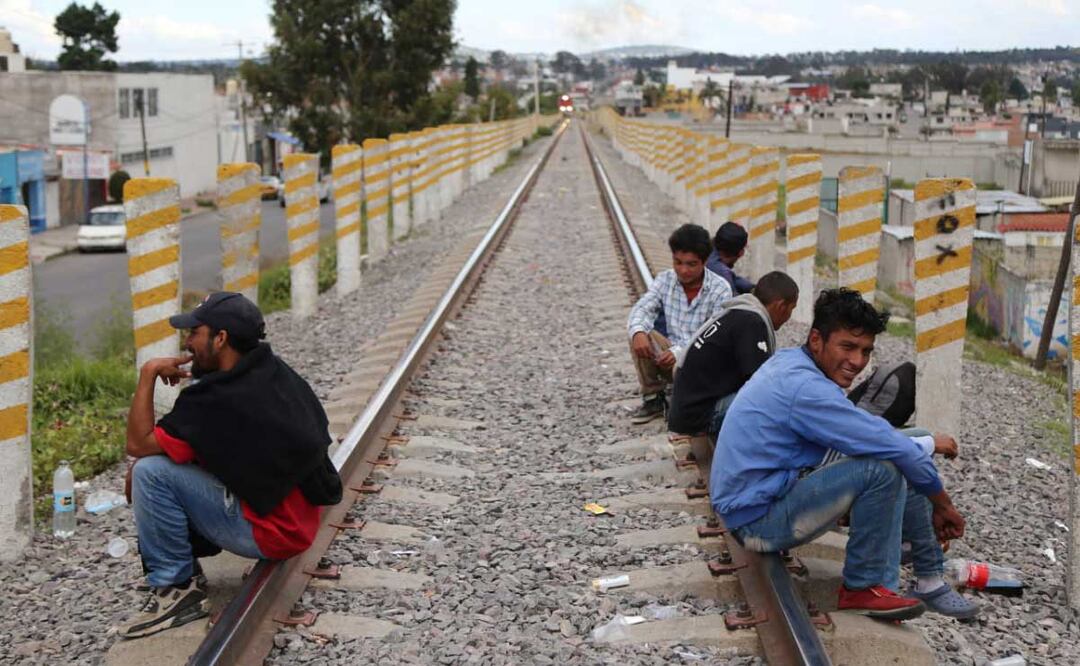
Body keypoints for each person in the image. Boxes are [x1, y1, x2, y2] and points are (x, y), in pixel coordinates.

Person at [710, 288, 966, 621]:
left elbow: (882, 438)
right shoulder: (807, 389)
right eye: (847, 347)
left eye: (866, 351)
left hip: (771, 492)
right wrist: (943, 506)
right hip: (757, 521)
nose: (858, 362)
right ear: (817, 339)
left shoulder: (792, 361)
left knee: (913, 441)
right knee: (884, 468)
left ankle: (927, 574)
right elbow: (891, 449)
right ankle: (865, 586)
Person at [119, 292, 342, 639]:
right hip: (298, 519)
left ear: (220, 338)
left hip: (271, 533)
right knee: (161, 460)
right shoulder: (269, 371)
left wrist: (147, 374)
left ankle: (174, 590)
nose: (187, 342)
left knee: (149, 472)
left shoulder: (214, 400)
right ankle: (181, 567)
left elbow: (137, 443)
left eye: (194, 332)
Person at [667, 271, 798, 438]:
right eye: (791, 309)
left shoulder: (738, 313)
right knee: (772, 403)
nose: (789, 317)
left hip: (686, 411)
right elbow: (761, 383)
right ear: (781, 306)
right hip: (700, 417)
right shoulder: (752, 321)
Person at [627, 223, 733, 424]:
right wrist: (638, 332)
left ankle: (688, 401)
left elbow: (713, 337)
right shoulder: (665, 280)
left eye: (691, 264)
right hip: (671, 360)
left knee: (693, 362)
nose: (683, 270)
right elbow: (643, 308)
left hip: (700, 361)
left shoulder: (720, 289)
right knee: (640, 331)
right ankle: (653, 399)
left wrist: (678, 351)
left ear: (704, 262)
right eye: (678, 262)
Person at [706, 222, 754, 295]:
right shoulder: (721, 272)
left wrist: (752, 288)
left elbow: (734, 280)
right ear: (741, 253)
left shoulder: (707, 249)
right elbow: (735, 302)